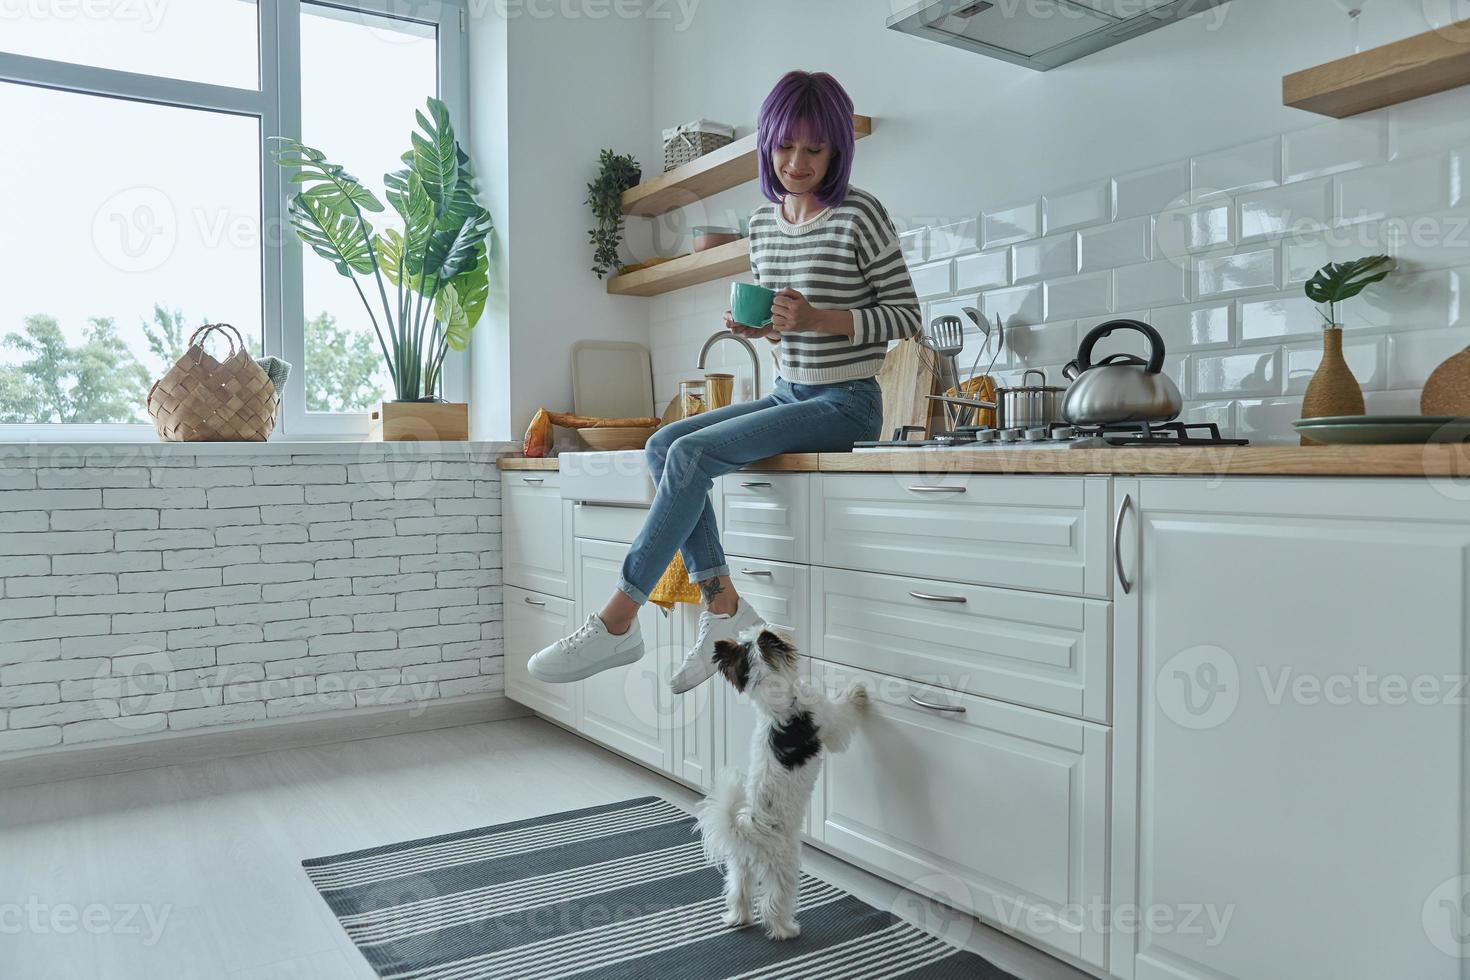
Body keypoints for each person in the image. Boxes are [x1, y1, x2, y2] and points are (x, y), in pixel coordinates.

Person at [529, 70, 921, 692]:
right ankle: (721, 604)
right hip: (791, 392)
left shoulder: (860, 215)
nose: (796, 162)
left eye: (814, 149)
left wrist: (817, 317)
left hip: (846, 402)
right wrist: (762, 329)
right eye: (785, 146)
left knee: (691, 451)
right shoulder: (763, 227)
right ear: (768, 142)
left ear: (839, 148)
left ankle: (618, 619)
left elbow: (907, 317)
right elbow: (786, 331)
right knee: (664, 445)